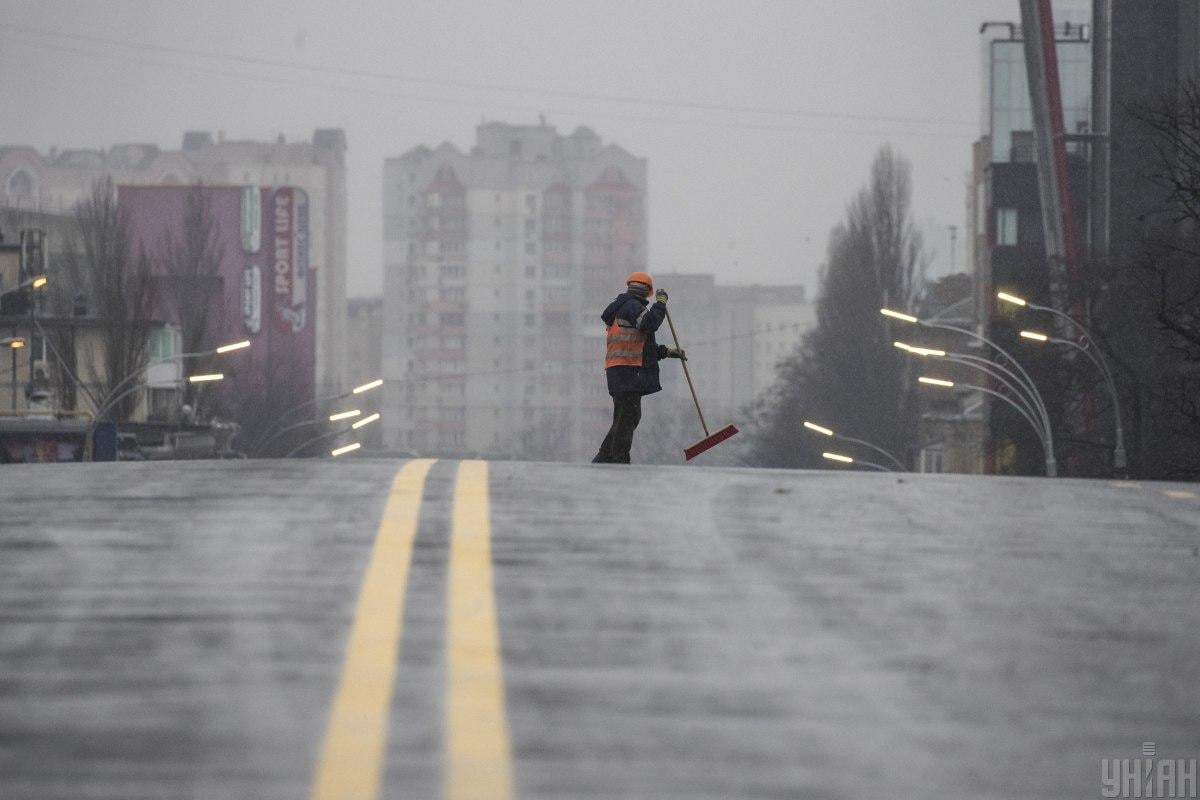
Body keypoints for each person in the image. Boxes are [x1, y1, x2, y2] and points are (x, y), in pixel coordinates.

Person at [592, 272, 686, 464]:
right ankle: (619, 461)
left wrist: (667, 352)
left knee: (626, 417)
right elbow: (650, 323)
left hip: (621, 371)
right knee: (627, 419)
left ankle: (603, 459)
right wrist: (660, 304)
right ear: (648, 292)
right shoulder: (631, 306)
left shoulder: (625, 307)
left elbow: (641, 347)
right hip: (627, 371)